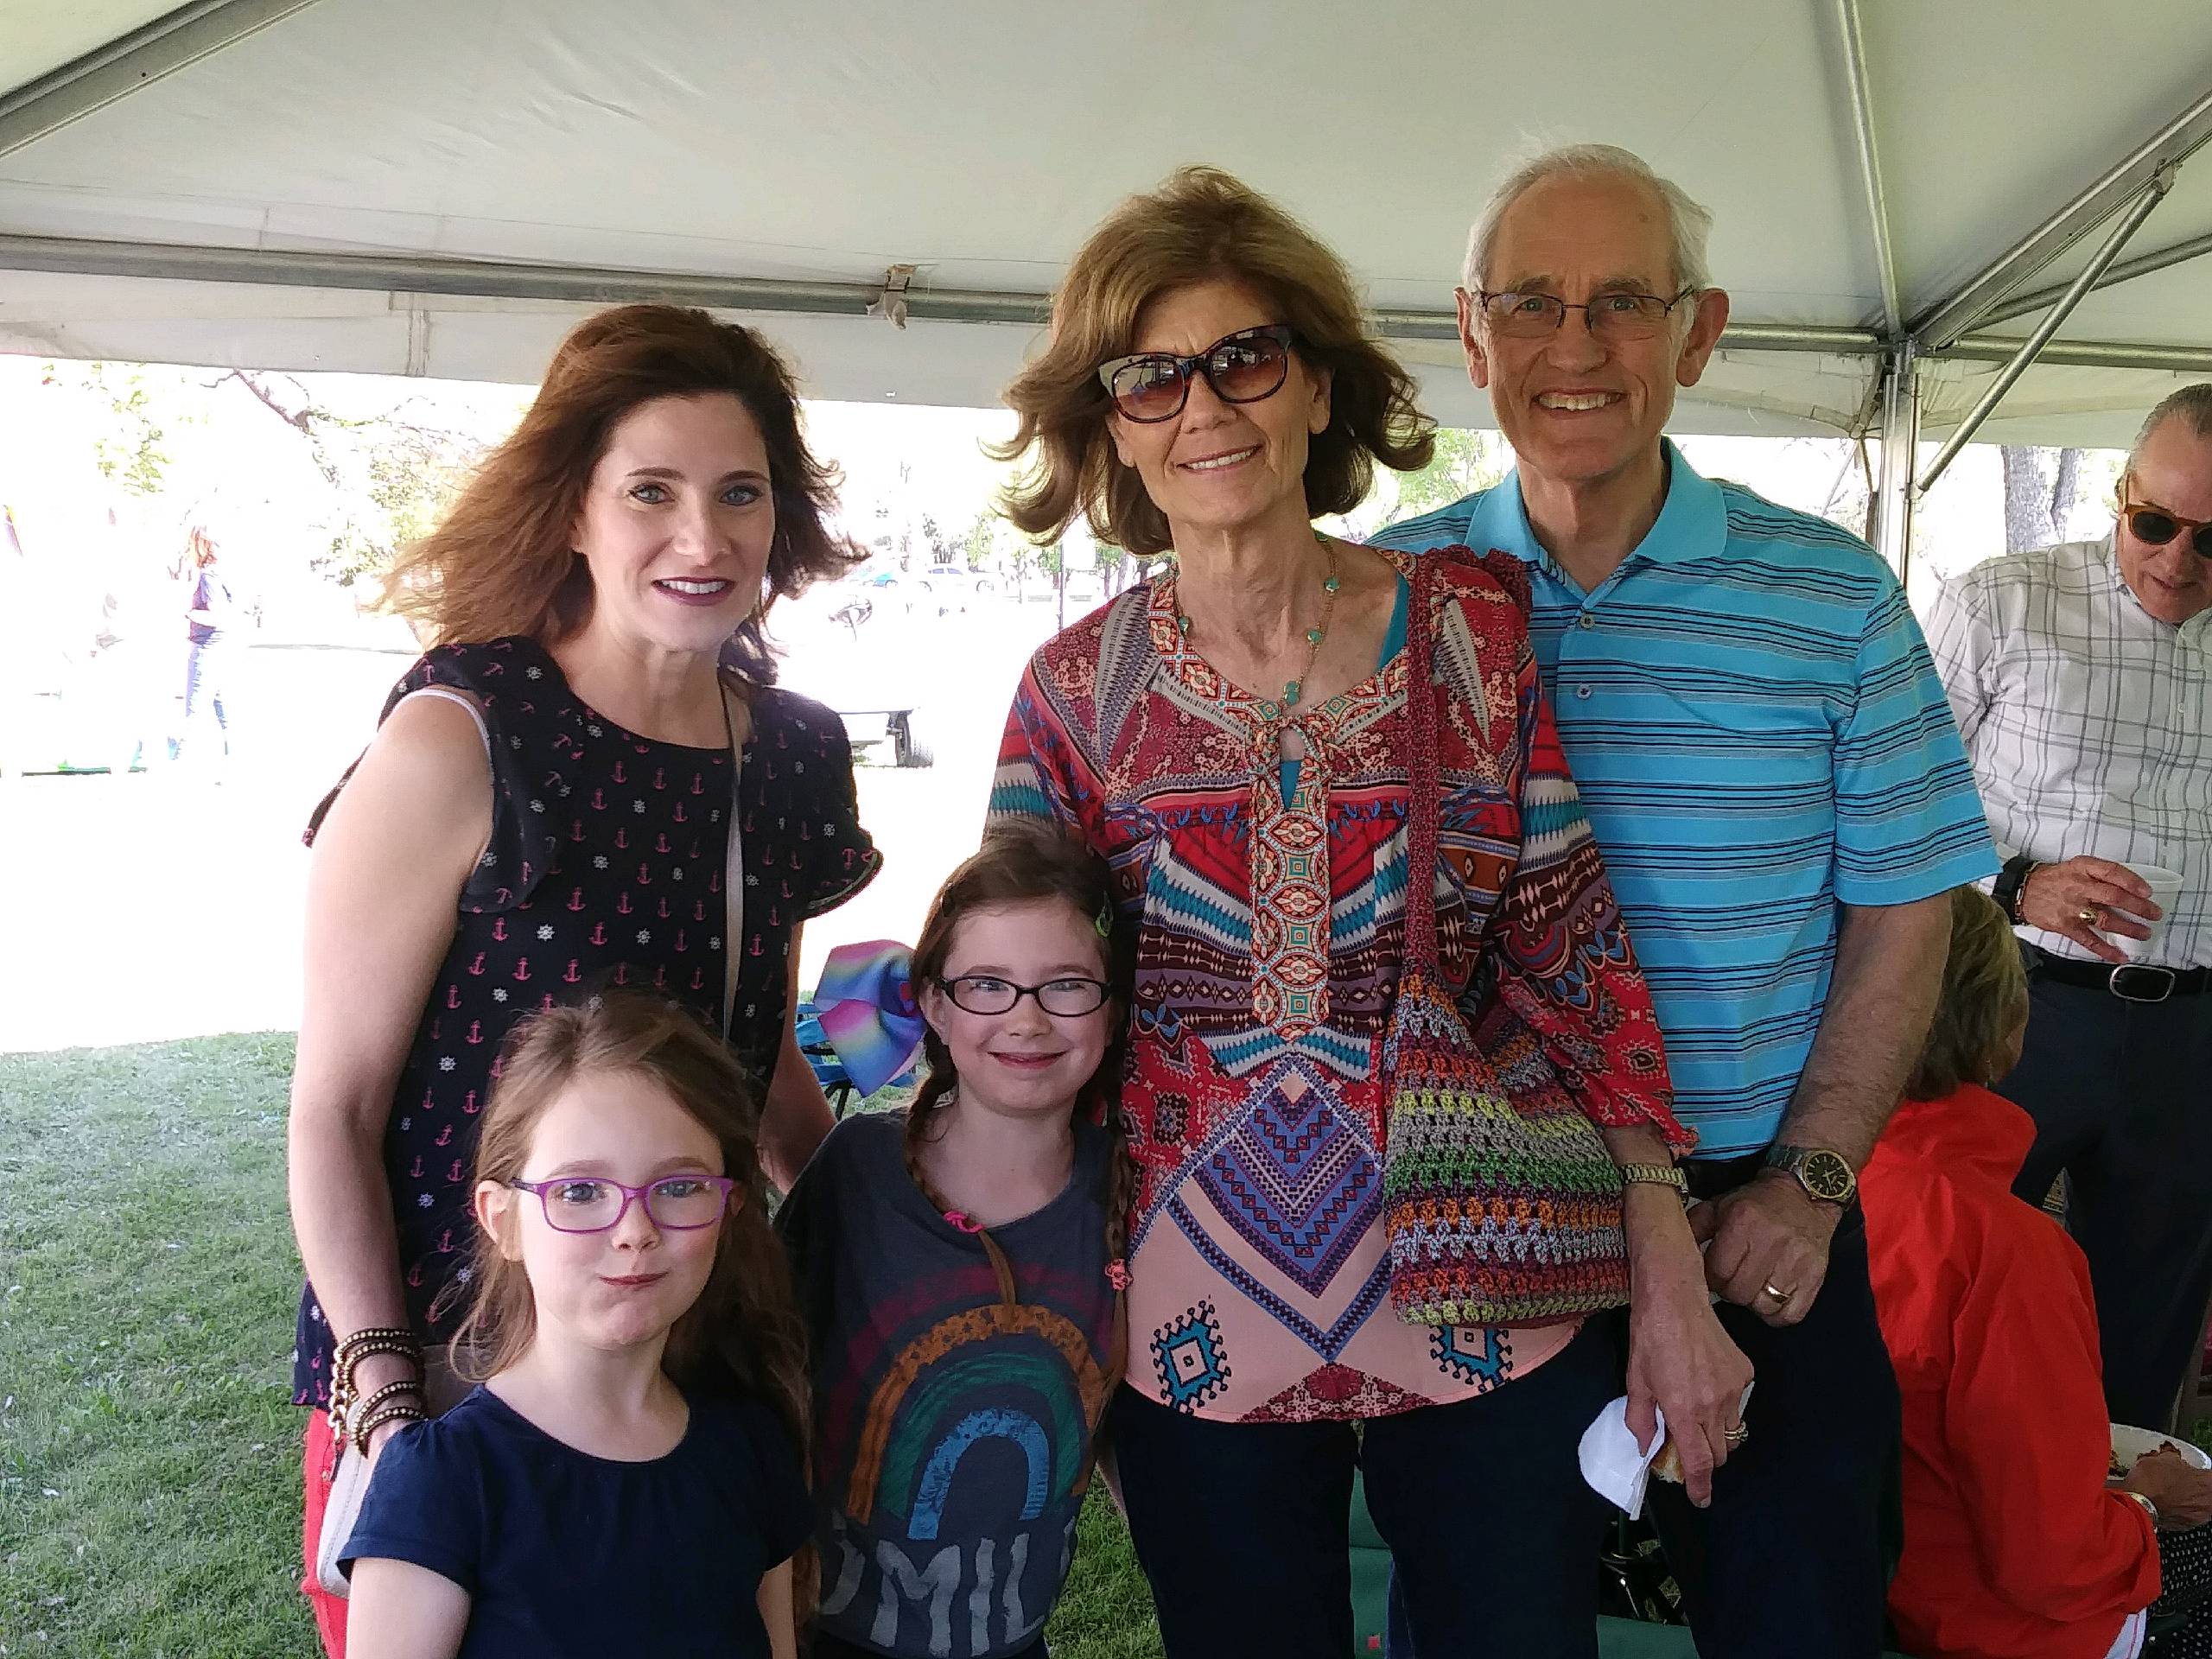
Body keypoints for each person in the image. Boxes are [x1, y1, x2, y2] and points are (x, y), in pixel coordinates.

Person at [987, 164, 1720, 1659]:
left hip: (1492, 1269)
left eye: (1245, 359)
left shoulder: (1469, 634)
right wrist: (1039, 1304)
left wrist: (1668, 1270)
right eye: (1151, 377)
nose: (1205, 408)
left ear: (1318, 386)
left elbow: (1571, 957)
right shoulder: (1073, 695)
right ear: (1112, 426)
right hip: (1193, 1312)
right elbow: (1024, 1028)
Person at [1370, 143, 1994, 1656]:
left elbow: (1906, 909)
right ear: (1471, 335)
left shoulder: (1835, 600)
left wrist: (1812, 1186)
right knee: (1482, 1623)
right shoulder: (1386, 599)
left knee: (1802, 1614)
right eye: (1531, 302)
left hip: (1761, 1216)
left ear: (1698, 332)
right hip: (1486, 1211)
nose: (1575, 345)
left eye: (1623, 303)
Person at [286, 302, 880, 1656]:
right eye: (652, 491)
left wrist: (882, 1214)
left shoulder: (792, 756)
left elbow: (755, 1054)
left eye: (741, 493)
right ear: (573, 510)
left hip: (690, 1337)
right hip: (459, 1364)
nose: (703, 537)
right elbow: (334, 1109)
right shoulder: (462, 736)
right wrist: (386, 1398)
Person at [341, 993, 813, 1659]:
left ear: (728, 1211)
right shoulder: (441, 1485)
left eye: (680, 1187)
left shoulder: (751, 1449)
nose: (634, 1231)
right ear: (503, 1220)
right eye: (580, 1192)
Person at [1922, 383, 2212, 1433]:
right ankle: (1930, 1525)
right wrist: (2017, 883)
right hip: (2015, 1011)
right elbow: (1895, 801)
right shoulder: (2001, 601)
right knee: (1951, 1296)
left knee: (2141, 1336)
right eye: (2154, 523)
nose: (2176, 561)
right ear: (2119, 491)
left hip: (2191, 1037)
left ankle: (2113, 1527)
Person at [778, 821, 1131, 1659]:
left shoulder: (1126, 1189)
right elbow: (759, 1369)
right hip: (829, 1634)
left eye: (1066, 985)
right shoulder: (858, 1172)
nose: (1027, 1019)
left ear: (1112, 1009)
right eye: (987, 986)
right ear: (934, 1004)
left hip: (1013, 1640)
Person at [1864, 886, 2212, 1659]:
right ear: (2007, 1029)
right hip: (1981, 1624)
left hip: (1841, 1585)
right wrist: (2146, 1508)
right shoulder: (2003, 1247)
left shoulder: (1795, 1194)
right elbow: (2052, 1564)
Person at [175, 524, 239, 771]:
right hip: (225, 647)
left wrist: (187, 613)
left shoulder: (208, 576)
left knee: (194, 712)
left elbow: (215, 616)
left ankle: (179, 765)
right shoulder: (222, 572)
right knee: (226, 713)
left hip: (208, 648)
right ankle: (233, 765)